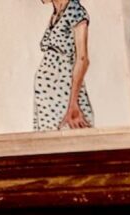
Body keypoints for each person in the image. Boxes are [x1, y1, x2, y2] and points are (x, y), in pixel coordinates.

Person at [34, 0, 93, 131]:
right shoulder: (56, 13)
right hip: (47, 99)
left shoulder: (76, 12)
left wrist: (72, 104)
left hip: (65, 98)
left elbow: (82, 59)